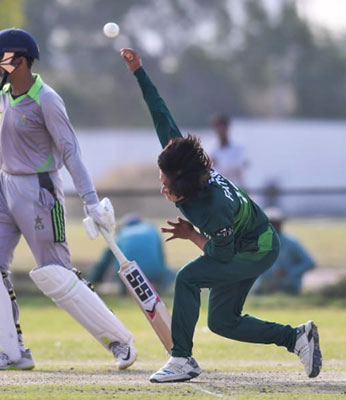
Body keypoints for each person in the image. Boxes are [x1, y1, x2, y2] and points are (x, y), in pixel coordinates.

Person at [120, 48, 321, 383]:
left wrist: (191, 235)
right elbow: (159, 111)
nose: (161, 186)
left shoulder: (213, 209)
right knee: (223, 322)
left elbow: (221, 255)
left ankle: (181, 358)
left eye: (166, 184)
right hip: (247, 239)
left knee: (187, 279)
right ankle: (297, 338)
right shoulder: (181, 159)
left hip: (255, 248)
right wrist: (138, 70)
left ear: (184, 187)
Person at [0, 28, 136, 372]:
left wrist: (91, 201)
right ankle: (14, 352)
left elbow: (70, 152)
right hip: (2, 191)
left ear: (19, 60)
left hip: (39, 192)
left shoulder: (47, 100)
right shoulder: (2, 97)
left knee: (58, 274)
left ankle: (119, 341)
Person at [89, 214, 174, 293]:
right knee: (170, 273)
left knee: (120, 265)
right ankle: (161, 289)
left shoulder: (122, 233)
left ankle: (124, 292)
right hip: (154, 273)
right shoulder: (151, 229)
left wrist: (93, 281)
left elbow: (105, 261)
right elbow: (161, 256)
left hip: (129, 277)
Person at [254, 208, 316, 295]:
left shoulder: (291, 243)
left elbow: (310, 263)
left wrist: (289, 272)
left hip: (289, 287)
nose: (273, 227)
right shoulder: (260, 243)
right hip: (266, 287)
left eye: (275, 223)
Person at [209, 113, 248, 187]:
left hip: (237, 188)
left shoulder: (239, 148)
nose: (221, 131)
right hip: (219, 189)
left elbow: (239, 167)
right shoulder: (210, 149)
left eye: (223, 127)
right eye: (218, 128)